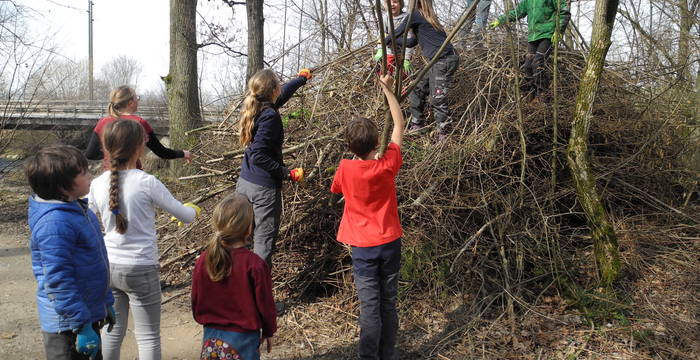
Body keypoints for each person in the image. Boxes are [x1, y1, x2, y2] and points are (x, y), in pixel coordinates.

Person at [87, 119, 200, 360]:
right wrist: (194, 209)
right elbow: (185, 215)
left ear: (106, 147)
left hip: (109, 266)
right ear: (139, 147)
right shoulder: (147, 182)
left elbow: (85, 218)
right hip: (142, 267)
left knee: (111, 330)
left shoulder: (96, 184)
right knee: (147, 336)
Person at [330, 74, 405, 360]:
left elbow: (336, 188)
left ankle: (367, 357)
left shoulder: (346, 168)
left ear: (350, 147)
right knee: (389, 303)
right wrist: (387, 89)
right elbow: (399, 125)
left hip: (362, 248)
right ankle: (387, 355)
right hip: (389, 244)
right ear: (377, 141)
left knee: (370, 307)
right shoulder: (387, 165)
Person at [26, 144, 115, 360]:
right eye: (83, 173)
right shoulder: (55, 223)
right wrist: (81, 325)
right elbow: (58, 280)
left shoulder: (78, 209)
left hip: (87, 313)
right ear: (64, 186)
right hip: (67, 325)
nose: (89, 175)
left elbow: (95, 262)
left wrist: (106, 302)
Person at [235, 68, 311, 270]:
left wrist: (301, 79)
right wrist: (287, 173)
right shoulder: (270, 116)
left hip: (245, 183)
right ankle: (259, 300)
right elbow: (258, 155)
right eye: (278, 85)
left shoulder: (256, 106)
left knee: (241, 242)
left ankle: (240, 293)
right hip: (262, 190)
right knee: (263, 244)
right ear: (273, 90)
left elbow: (283, 94)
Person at [191, 193, 277, 360]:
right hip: (244, 339)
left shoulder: (203, 260)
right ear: (248, 228)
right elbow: (265, 304)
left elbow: (196, 300)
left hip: (211, 337)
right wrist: (268, 330)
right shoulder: (254, 264)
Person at [383, 0, 460, 142]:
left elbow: (398, 32)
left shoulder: (415, 15)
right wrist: (391, 41)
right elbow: (412, 42)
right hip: (436, 61)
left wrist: (384, 39)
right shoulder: (424, 15)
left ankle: (444, 134)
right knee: (416, 88)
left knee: (437, 97)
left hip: (444, 59)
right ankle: (417, 124)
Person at [84, 85, 192, 169]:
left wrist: (112, 154)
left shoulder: (103, 122)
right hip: (134, 174)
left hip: (109, 178)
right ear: (131, 103)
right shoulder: (139, 123)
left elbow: (90, 154)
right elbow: (162, 152)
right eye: (137, 97)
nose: (138, 100)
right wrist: (183, 153)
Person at [490, 0, 570, 97]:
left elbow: (564, 12)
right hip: (533, 37)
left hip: (547, 34)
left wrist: (559, 30)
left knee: (537, 63)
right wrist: (501, 20)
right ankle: (532, 95)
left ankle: (544, 95)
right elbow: (517, 12)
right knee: (528, 67)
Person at [373, 0, 416, 76]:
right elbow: (382, 34)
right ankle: (383, 87)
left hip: (403, 52)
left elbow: (409, 39)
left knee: (404, 73)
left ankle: (404, 86)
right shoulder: (385, 18)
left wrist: (406, 58)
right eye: (388, 3)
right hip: (389, 51)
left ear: (401, 4)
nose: (392, 4)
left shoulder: (407, 18)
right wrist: (380, 49)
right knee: (384, 72)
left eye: (395, 2)